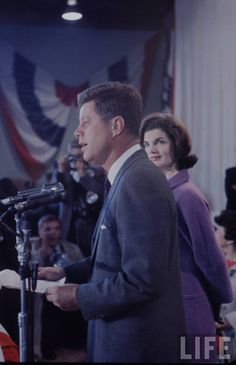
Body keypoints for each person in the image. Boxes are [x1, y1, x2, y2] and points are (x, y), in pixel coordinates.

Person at [38, 81, 186, 363]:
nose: (77, 132)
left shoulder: (138, 181)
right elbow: (118, 255)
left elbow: (143, 280)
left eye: (85, 122)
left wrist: (80, 296)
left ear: (115, 126)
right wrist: (66, 273)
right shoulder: (126, 176)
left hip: (135, 347)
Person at [139, 112, 233, 362]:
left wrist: (225, 304)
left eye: (160, 142)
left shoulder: (187, 195)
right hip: (168, 306)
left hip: (191, 306)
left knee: (200, 360)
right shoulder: (164, 193)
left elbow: (210, 258)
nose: (152, 150)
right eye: (147, 144)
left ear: (176, 144)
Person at [30, 214, 87, 361]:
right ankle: (42, 350)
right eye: (47, 229)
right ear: (40, 232)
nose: (52, 233)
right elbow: (31, 271)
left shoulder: (72, 248)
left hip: (66, 290)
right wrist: (43, 252)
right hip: (41, 295)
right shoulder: (31, 249)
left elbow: (81, 272)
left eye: (56, 229)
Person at [51, 139, 105, 256]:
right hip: (70, 222)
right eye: (73, 156)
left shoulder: (96, 171)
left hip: (93, 221)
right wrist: (60, 170)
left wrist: (83, 174)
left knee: (94, 253)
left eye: (79, 156)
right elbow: (56, 195)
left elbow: (101, 193)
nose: (76, 159)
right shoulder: (62, 172)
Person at [214, 210, 236, 362]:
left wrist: (225, 322)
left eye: (218, 229)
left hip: (229, 339)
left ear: (230, 239)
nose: (214, 232)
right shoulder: (216, 262)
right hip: (212, 334)